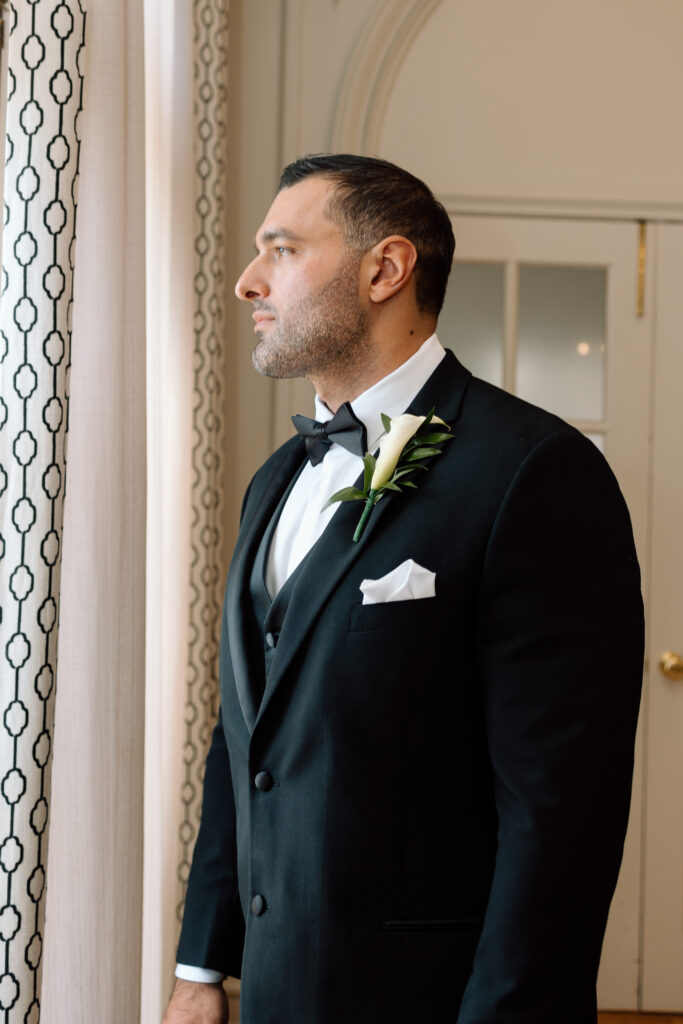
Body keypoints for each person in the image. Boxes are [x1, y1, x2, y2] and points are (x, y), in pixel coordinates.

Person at [163, 154, 644, 1024]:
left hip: (429, 999)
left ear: (384, 269)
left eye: (280, 250)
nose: (246, 282)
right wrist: (202, 966)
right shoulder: (275, 480)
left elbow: (558, 811)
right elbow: (246, 741)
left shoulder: (534, 473)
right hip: (272, 991)